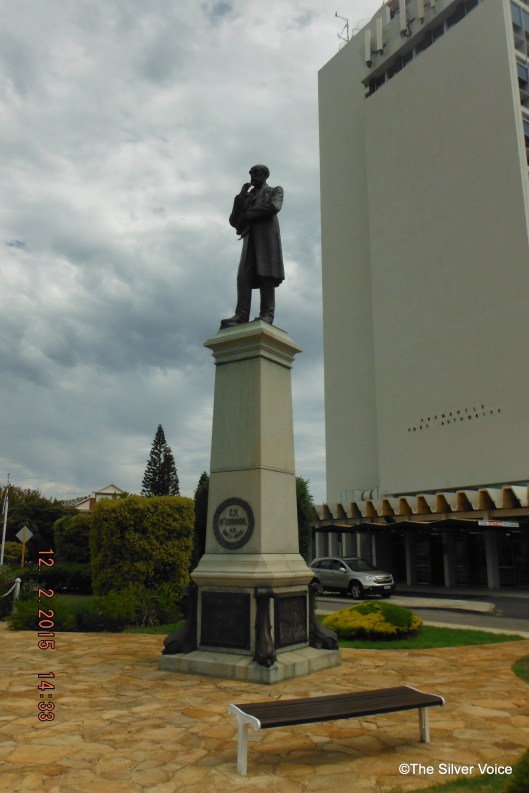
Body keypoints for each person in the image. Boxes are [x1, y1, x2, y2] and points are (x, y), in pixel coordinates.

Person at [220, 165, 284, 328]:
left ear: (264, 175)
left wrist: (248, 214)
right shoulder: (247, 197)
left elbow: (273, 207)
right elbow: (234, 221)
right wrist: (240, 198)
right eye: (250, 173)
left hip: (267, 240)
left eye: (255, 172)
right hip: (250, 240)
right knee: (243, 277)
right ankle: (241, 315)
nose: (251, 175)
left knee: (266, 275)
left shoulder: (275, 190)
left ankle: (267, 314)